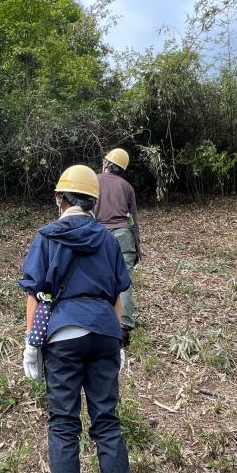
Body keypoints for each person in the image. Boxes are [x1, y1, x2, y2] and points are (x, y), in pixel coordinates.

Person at [20, 165, 132, 473]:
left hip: (62, 335)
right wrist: (116, 341)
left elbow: (35, 293)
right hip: (103, 331)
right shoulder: (109, 240)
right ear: (94, 202)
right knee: (106, 420)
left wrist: (31, 345)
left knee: (64, 424)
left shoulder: (47, 237)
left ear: (60, 199)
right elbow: (116, 294)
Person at [94, 148, 140, 345]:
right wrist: (137, 247)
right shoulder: (127, 187)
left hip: (99, 236)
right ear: (122, 169)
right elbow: (134, 220)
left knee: (98, 278)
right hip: (124, 236)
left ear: (105, 163)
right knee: (124, 281)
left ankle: (99, 322)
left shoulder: (93, 180)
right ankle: (123, 329)